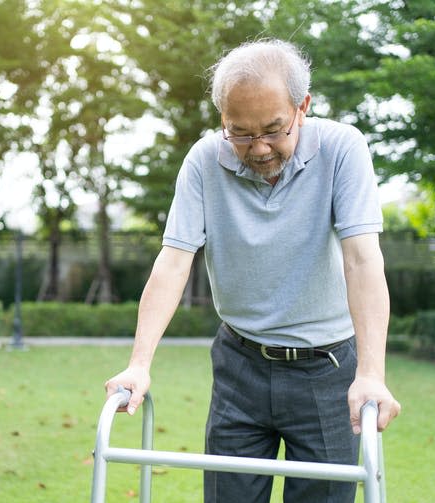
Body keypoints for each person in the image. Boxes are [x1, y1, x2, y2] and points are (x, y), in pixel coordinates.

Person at [104, 38, 401, 503]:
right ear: (222, 117)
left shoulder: (343, 148)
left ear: (302, 107)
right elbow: (174, 260)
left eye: (273, 129)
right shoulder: (204, 159)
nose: (258, 147)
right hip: (239, 365)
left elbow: (362, 258)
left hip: (327, 370)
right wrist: (138, 364)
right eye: (239, 132)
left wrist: (371, 373)